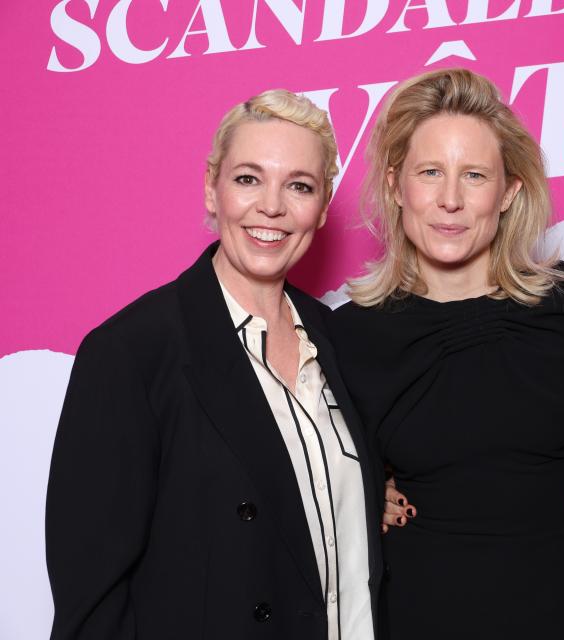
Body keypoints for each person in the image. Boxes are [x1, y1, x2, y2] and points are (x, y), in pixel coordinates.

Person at [45, 90, 384, 640]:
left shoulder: (339, 339)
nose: (271, 207)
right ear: (212, 186)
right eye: (248, 178)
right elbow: (92, 603)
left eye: (299, 186)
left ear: (322, 207)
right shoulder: (133, 353)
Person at [326, 68, 564, 640]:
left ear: (509, 192)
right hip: (413, 617)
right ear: (398, 186)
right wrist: (357, 495)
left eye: (474, 175)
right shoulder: (350, 335)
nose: (450, 200)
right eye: (430, 173)